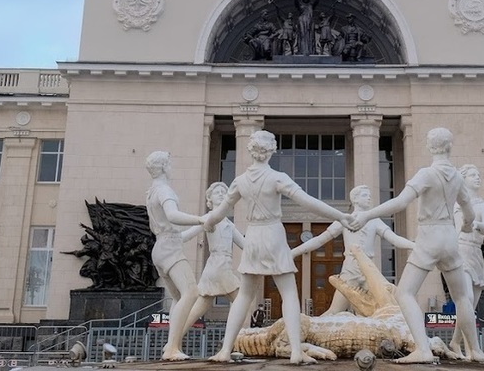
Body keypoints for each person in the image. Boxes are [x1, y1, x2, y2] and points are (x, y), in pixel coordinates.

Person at [204, 130, 352, 364]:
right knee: (289, 292)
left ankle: (224, 350)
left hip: (252, 236)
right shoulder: (277, 178)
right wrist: (341, 215)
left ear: (251, 151)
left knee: (244, 294)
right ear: (271, 151)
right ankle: (295, 351)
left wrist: (208, 223)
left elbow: (219, 213)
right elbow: (308, 201)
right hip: (272, 234)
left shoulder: (239, 181)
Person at [349, 127, 484, 364]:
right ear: (449, 147)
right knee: (462, 297)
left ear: (429, 146)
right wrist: (466, 226)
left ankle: (423, 349)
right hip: (450, 240)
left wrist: (366, 216)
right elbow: (469, 213)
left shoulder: (426, 174)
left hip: (429, 235)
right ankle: (475, 350)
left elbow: (400, 202)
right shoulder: (457, 177)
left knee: (404, 293)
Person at [291, 184, 416, 315]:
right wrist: (294, 252)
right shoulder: (345, 220)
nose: (369, 198)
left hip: (369, 271)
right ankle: (309, 330)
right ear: (355, 199)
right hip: (350, 270)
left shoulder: (374, 221)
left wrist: (414, 246)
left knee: (387, 306)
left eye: (369, 196)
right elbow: (319, 240)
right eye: (364, 195)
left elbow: (394, 239)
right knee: (334, 310)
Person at [144, 151, 205, 360]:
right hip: (169, 249)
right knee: (192, 292)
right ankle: (172, 347)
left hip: (161, 248)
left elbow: (178, 234)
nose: (172, 167)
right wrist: (198, 219)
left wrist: (202, 225)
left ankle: (172, 345)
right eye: (169, 163)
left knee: (178, 298)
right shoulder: (164, 190)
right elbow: (172, 216)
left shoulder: (151, 192)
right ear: (162, 167)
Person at [183, 182, 246, 328]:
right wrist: (174, 238)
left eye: (223, 193)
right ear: (210, 199)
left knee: (199, 308)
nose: (221, 194)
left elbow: (245, 245)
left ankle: (173, 341)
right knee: (241, 302)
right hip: (218, 266)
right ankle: (235, 341)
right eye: (217, 192)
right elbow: (190, 233)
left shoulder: (229, 224)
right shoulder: (208, 218)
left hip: (219, 268)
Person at [448, 164, 484, 356]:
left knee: (470, 307)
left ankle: (455, 342)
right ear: (463, 179)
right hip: (459, 251)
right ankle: (473, 350)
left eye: (479, 174)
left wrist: (474, 222)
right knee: (467, 299)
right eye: (473, 175)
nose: (477, 177)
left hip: (475, 253)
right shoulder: (454, 206)